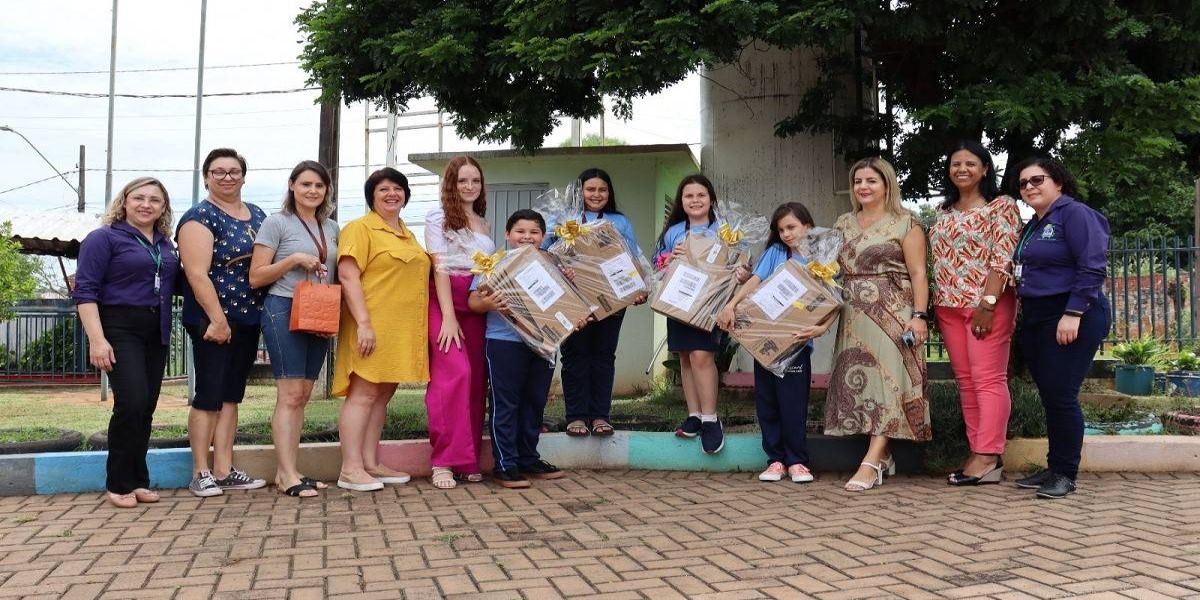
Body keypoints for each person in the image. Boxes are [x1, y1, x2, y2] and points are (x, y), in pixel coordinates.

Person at [825, 157, 930, 492]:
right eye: (858, 181)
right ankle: (883, 456)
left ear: (887, 185)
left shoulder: (905, 222)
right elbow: (827, 266)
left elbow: (918, 274)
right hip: (853, 311)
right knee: (864, 382)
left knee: (889, 382)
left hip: (893, 310)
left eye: (871, 180)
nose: (863, 187)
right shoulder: (843, 222)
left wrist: (919, 315)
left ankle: (871, 460)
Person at [75, 177, 180, 508]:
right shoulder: (103, 238)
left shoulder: (166, 245)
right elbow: (85, 291)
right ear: (124, 201)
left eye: (155, 200)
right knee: (131, 402)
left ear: (163, 208)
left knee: (145, 407)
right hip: (119, 327)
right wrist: (97, 339)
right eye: (139, 197)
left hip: (157, 328)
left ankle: (138, 480)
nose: (146, 204)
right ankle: (118, 483)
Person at [1010, 158, 1110, 500]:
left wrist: (1073, 312)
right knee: (1051, 395)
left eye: (1038, 179)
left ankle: (1065, 474)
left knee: (1062, 394)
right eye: (1023, 183)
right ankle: (1054, 467)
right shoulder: (1034, 224)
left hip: (1070, 311)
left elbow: (1092, 265)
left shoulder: (1075, 214)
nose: (1029, 187)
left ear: (1059, 183)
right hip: (1038, 315)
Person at [333, 167, 431, 492]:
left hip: (400, 330)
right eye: (383, 189)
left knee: (382, 395)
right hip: (370, 325)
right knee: (363, 394)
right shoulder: (360, 229)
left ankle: (370, 463)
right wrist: (363, 323)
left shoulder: (407, 233)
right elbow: (348, 276)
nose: (392, 194)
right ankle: (350, 469)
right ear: (371, 196)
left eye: (397, 188)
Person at [177, 148, 268, 497]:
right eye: (219, 171)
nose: (227, 177)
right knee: (209, 395)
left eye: (234, 171)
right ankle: (200, 471)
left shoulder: (257, 215)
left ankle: (224, 468)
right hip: (213, 319)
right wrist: (217, 319)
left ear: (244, 176)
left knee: (232, 396)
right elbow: (197, 274)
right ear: (206, 177)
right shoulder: (199, 217)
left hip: (248, 316)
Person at [929, 141, 1021, 486]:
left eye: (970, 163)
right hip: (949, 306)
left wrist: (989, 304)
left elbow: (1003, 257)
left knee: (988, 380)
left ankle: (988, 455)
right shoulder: (943, 211)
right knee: (966, 383)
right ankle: (976, 452)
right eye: (955, 164)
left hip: (986, 305)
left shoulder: (1001, 206)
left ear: (985, 169)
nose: (962, 169)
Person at [717, 202, 827, 484]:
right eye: (781, 230)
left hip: (796, 344)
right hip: (764, 340)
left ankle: (798, 462)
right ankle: (775, 460)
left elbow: (831, 302)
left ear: (808, 227)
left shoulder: (821, 260)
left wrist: (821, 328)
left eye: (791, 227)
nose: (786, 234)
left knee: (793, 404)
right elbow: (755, 281)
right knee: (767, 403)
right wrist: (732, 305)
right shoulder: (775, 252)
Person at [249, 160, 339, 498]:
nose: (312, 191)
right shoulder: (276, 223)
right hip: (283, 308)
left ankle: (293, 469)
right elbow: (256, 276)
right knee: (289, 395)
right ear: (292, 186)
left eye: (319, 185)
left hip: (318, 309)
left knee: (302, 395)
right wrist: (292, 261)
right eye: (305, 185)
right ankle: (285, 474)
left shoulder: (330, 227)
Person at [468, 209, 571, 489]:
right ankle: (505, 464)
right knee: (506, 404)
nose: (527, 237)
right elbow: (473, 303)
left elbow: (568, 302)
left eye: (534, 233)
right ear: (507, 235)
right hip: (504, 343)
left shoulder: (552, 263)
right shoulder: (494, 264)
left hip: (544, 343)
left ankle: (528, 458)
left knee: (534, 402)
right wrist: (491, 302)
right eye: (520, 232)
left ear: (543, 237)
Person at [542, 168, 647, 438]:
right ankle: (576, 416)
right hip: (572, 298)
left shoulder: (619, 221)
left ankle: (601, 415)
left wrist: (639, 288)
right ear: (580, 192)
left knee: (603, 355)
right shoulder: (562, 219)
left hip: (610, 299)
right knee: (574, 356)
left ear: (609, 193)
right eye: (590, 189)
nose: (596, 194)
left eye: (602, 189)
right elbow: (544, 254)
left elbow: (632, 257)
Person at [423, 156, 492, 490]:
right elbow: (439, 268)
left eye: (475, 181)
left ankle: (467, 460)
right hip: (444, 300)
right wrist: (448, 317)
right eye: (462, 180)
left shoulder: (483, 223)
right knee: (454, 374)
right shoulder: (438, 217)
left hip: (478, 302)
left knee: (476, 380)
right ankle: (443, 461)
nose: (469, 186)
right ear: (450, 183)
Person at [653, 174, 728, 454]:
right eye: (689, 196)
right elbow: (657, 264)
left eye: (701, 195)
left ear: (711, 199)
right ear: (681, 201)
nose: (695, 201)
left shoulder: (725, 230)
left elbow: (741, 264)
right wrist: (669, 258)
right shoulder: (673, 231)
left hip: (709, 303)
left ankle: (710, 418)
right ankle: (694, 414)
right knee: (685, 356)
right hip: (679, 300)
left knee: (701, 355)